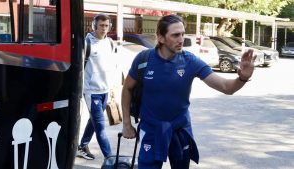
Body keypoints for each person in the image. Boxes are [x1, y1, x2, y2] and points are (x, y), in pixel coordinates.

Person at [121, 14, 255, 169]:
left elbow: (226, 87)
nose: (181, 39)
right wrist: (126, 123)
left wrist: (242, 78)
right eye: (175, 35)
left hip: (179, 130)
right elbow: (127, 89)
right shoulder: (144, 59)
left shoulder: (190, 61)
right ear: (161, 37)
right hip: (151, 129)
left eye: (183, 34)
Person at [77, 13, 114, 160]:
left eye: (107, 25)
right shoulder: (87, 43)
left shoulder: (110, 42)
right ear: (94, 26)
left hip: (105, 90)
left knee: (93, 121)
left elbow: (112, 67)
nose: (104, 28)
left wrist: (112, 89)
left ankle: (82, 146)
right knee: (100, 126)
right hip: (91, 91)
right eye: (101, 25)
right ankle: (110, 158)